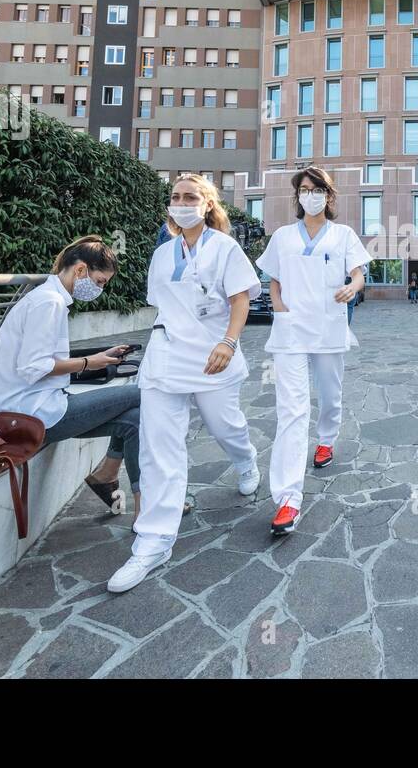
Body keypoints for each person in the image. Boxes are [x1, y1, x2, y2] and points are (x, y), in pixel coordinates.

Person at [108, 174, 262, 593]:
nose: (180, 202)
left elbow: (240, 299)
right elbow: (164, 305)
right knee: (160, 448)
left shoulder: (225, 247)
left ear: (207, 204)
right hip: (166, 356)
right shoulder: (162, 254)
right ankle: (154, 541)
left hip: (214, 354)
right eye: (175, 197)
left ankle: (245, 460)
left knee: (224, 426)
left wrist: (228, 343)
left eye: (190, 196)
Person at [256, 167, 371, 536]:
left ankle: (325, 440)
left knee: (330, 392)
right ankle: (288, 498)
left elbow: (358, 273)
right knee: (291, 408)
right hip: (290, 329)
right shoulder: (283, 236)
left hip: (328, 325)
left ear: (329, 195)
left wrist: (352, 286)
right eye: (304, 189)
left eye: (317, 189)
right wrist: (278, 306)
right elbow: (273, 278)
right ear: (297, 196)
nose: (310, 194)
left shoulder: (343, 235)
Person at [0, 236, 141, 514]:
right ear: (81, 270)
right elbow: (34, 366)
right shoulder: (49, 303)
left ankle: (118, 487)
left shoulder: (48, 299)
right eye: (100, 282)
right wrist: (88, 362)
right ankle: (144, 502)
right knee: (141, 394)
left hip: (43, 405)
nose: (99, 289)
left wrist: (98, 357)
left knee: (134, 421)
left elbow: (43, 360)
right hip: (32, 415)